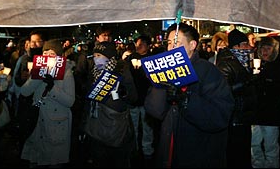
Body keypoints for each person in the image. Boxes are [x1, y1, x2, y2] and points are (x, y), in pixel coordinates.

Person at [144, 22, 235, 168]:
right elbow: (155, 111)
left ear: (192, 45)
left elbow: (220, 117)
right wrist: (159, 85)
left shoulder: (208, 71)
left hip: (199, 155)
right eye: (169, 43)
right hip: (168, 152)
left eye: (177, 43)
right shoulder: (166, 72)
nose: (171, 47)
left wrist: (185, 100)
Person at [20, 39, 76, 167]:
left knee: (53, 161)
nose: (48, 57)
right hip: (38, 123)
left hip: (56, 124)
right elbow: (25, 92)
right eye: (45, 54)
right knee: (36, 160)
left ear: (58, 56)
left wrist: (52, 87)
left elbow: (70, 101)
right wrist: (38, 77)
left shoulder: (66, 72)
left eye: (52, 54)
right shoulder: (38, 70)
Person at [87, 41, 138, 168]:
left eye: (99, 55)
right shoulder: (92, 72)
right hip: (96, 127)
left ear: (109, 57)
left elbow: (133, 97)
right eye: (94, 55)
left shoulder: (121, 71)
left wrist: (122, 92)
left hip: (115, 126)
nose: (96, 59)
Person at [216, 29, 257, 168]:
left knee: (243, 153)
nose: (248, 47)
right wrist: (245, 83)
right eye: (245, 44)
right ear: (236, 47)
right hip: (234, 118)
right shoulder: (225, 64)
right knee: (236, 155)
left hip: (244, 115)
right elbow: (224, 91)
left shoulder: (243, 61)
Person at [250, 36, 280, 169]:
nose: (266, 51)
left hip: (271, 113)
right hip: (256, 113)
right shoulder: (257, 63)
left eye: (269, 48)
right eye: (263, 48)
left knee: (270, 146)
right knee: (254, 144)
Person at [125, 35, 156, 165]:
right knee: (133, 127)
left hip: (147, 99)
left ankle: (147, 150)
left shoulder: (152, 60)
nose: (139, 46)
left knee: (147, 128)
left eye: (142, 44)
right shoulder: (129, 59)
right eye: (137, 44)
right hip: (133, 99)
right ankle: (135, 149)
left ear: (148, 46)